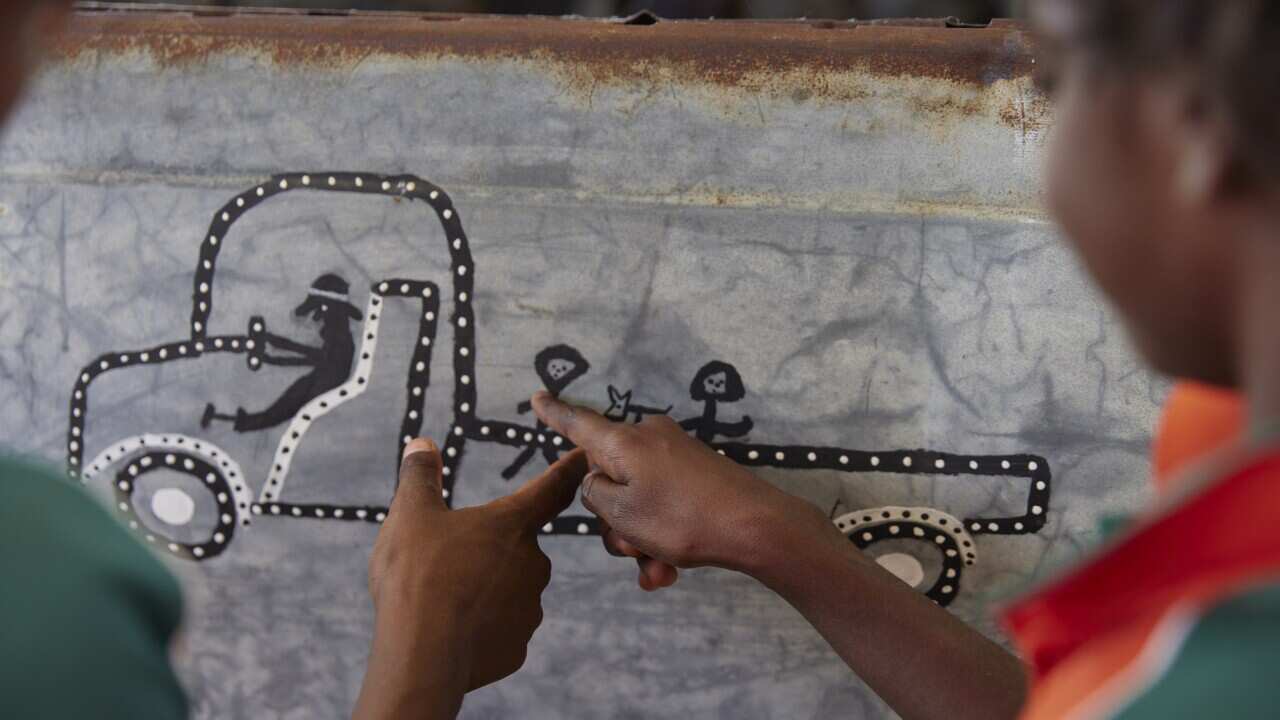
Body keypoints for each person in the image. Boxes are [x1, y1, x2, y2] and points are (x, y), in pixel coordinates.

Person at [523, 2, 1280, 718]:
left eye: (1054, 80)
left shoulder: (1231, 667)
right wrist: (765, 533)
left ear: (1195, 124)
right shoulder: (1222, 424)